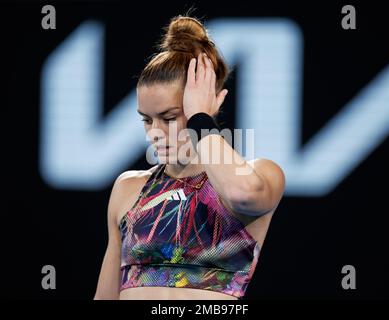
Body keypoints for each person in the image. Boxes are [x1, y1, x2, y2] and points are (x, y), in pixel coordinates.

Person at [94, 14, 285, 300]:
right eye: (147, 120)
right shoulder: (128, 188)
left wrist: (200, 120)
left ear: (211, 105)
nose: (154, 133)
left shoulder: (261, 174)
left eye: (170, 117)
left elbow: (241, 194)